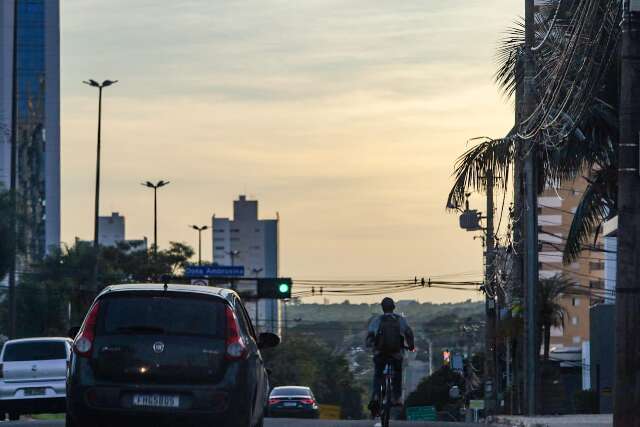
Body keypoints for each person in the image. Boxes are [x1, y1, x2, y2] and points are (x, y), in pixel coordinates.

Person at [366, 297, 415, 413]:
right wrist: (411, 346)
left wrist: (371, 345)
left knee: (378, 374)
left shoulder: (377, 320)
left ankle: (377, 396)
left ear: (382, 308)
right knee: (398, 372)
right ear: (393, 307)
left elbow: (370, 336)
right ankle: (396, 398)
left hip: (380, 353)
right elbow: (408, 332)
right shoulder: (399, 319)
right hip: (396, 353)